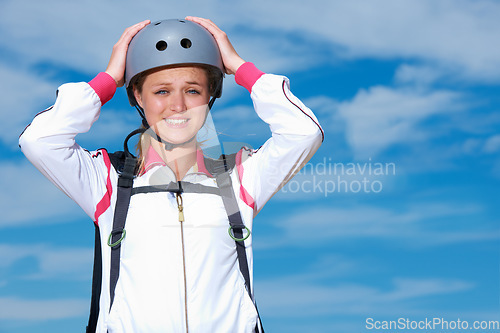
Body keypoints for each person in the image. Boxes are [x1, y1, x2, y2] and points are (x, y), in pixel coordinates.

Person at [19, 16, 323, 333]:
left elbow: (303, 133)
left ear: (210, 96)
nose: (177, 106)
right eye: (161, 91)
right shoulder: (108, 182)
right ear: (137, 95)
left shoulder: (239, 178)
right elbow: (39, 141)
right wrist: (109, 78)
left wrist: (239, 67)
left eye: (193, 90)